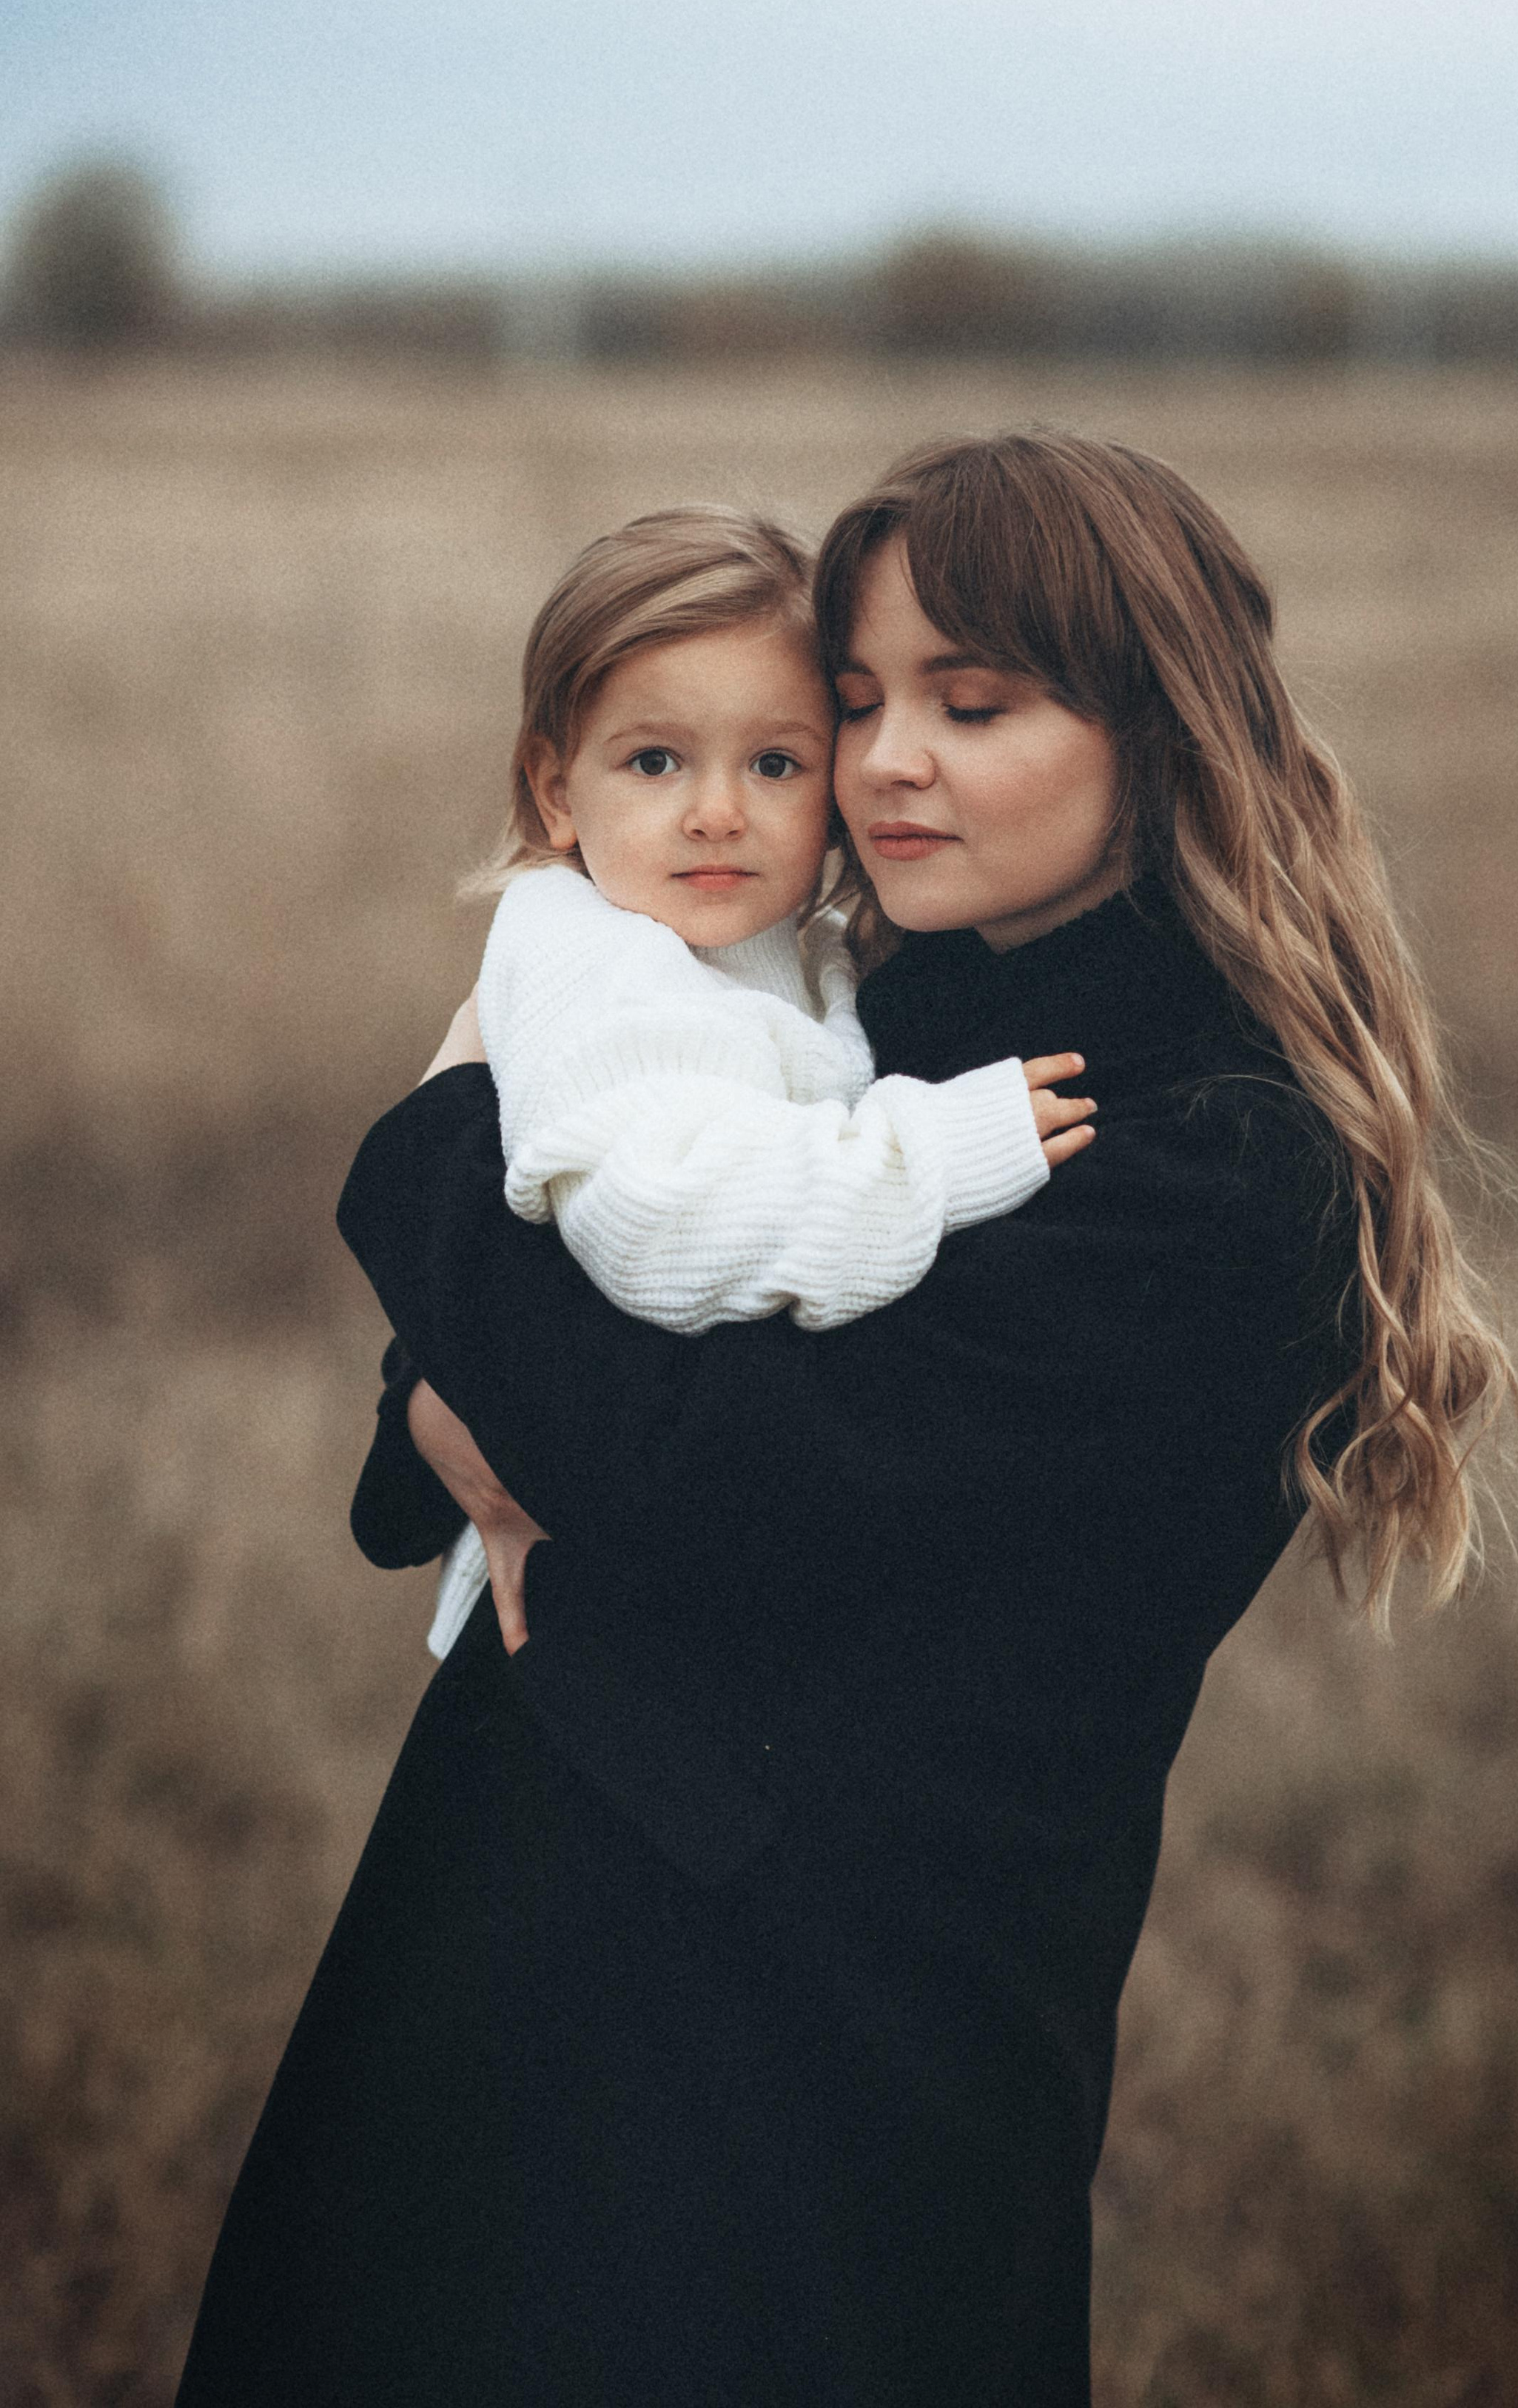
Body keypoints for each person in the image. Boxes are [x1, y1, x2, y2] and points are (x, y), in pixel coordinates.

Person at [177, 432, 1511, 2408]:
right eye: (860, 704)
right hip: (539, 1960)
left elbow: (707, 1477)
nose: (887, 763)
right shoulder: (882, 1006)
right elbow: (525, 1369)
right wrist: (496, 1378)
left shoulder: (1212, 1170)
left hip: (821, 2075)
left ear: (1161, 736)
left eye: (972, 706)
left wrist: (440, 1150)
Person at [420, 504, 1095, 1658]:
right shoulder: (595, 956)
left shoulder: (772, 944)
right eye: (654, 760)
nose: (719, 811)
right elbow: (662, 1220)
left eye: (776, 763)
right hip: (586, 1674)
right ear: (554, 791)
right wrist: (930, 1150)